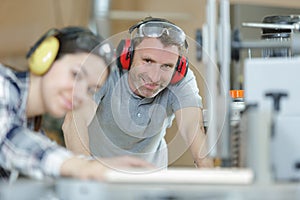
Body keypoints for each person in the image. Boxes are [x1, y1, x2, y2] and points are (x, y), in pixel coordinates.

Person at [0, 26, 152, 182]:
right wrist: (81, 166)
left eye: (90, 90)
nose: (79, 95)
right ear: (45, 57)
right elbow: (7, 139)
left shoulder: (30, 126)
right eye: (76, 75)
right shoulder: (2, 83)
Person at [63, 17, 214, 169]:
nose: (154, 77)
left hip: (151, 177)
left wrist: (210, 171)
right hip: (99, 173)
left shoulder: (182, 80)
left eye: (166, 66)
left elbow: (193, 129)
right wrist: (86, 170)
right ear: (128, 55)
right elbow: (75, 121)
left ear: (178, 68)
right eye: (148, 61)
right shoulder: (105, 69)